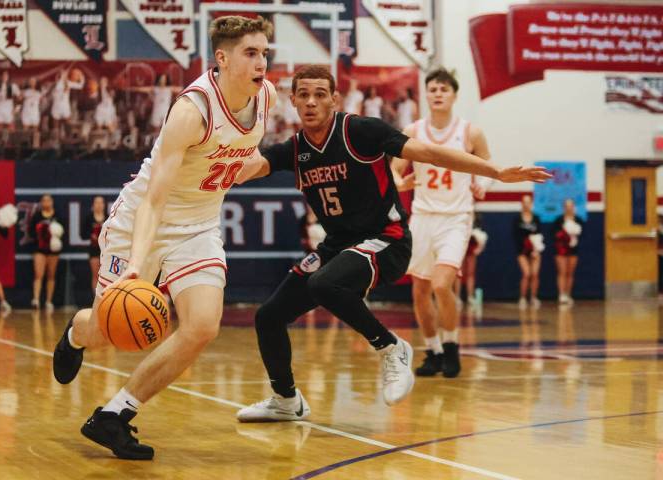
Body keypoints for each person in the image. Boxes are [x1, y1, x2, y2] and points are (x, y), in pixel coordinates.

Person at [233, 65, 550, 422]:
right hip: (338, 247)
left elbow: (429, 153)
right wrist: (218, 154)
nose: (311, 102)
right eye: (303, 95)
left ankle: (392, 348)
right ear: (292, 101)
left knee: (324, 283)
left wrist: (494, 172)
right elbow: (250, 167)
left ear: (334, 99)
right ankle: (285, 399)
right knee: (268, 317)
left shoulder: (360, 131)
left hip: (388, 239)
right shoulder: (294, 149)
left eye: (320, 94)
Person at [51, 16, 276, 460]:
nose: (261, 62)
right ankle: (76, 335)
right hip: (143, 222)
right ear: (222, 58)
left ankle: (114, 415)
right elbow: (154, 200)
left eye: (265, 53)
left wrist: (278, 165)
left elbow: (236, 161)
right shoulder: (192, 111)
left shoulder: (265, 96)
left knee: (202, 326)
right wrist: (137, 265)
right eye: (251, 53)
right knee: (107, 331)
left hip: (199, 226)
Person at [391, 68, 494, 379]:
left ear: (454, 95)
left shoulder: (470, 132)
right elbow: (394, 170)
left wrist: (481, 186)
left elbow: (488, 167)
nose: (437, 94)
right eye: (433, 89)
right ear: (426, 94)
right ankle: (433, 350)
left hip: (456, 217)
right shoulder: (413, 131)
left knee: (440, 284)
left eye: (443, 89)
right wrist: (401, 184)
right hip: (422, 216)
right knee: (420, 290)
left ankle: (452, 346)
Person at [29, 194, 63, 311]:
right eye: (44, 200)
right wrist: (42, 234)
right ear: (41, 203)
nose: (46, 203)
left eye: (49, 200)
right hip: (39, 249)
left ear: (52, 202)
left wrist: (56, 237)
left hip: (53, 251)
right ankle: (36, 300)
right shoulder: (37, 216)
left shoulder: (57, 215)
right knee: (38, 274)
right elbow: (31, 232)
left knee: (51, 275)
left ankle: (49, 301)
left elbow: (63, 232)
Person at [514, 194, 543, 309]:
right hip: (522, 251)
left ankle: (534, 297)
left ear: (531, 204)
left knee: (535, 274)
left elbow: (539, 235)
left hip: (535, 250)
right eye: (524, 202)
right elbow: (515, 237)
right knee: (526, 274)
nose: (526, 205)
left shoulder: (536, 218)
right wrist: (525, 248)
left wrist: (535, 249)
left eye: (528, 202)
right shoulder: (517, 219)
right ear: (522, 204)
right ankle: (522, 298)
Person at [553, 199, 583, 305]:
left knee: (570, 273)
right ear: (564, 207)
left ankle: (568, 294)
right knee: (562, 272)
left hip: (573, 249)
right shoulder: (559, 220)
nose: (569, 208)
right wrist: (564, 235)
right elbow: (555, 235)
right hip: (561, 250)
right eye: (567, 206)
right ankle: (561, 294)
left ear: (573, 207)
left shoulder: (578, 220)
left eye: (571, 206)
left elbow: (581, 235)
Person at [81, 196, 107, 294]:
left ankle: (106, 297)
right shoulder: (89, 218)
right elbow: (82, 234)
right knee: (96, 275)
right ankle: (96, 297)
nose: (99, 205)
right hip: (94, 249)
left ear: (104, 205)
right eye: (97, 202)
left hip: (105, 249)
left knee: (106, 274)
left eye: (101, 203)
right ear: (93, 205)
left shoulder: (108, 217)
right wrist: (91, 235)